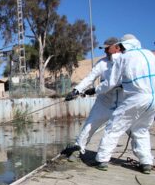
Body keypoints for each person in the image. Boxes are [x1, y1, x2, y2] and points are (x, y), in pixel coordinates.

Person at [94, 34, 155, 174]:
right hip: (153, 99)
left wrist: (95, 90)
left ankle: (102, 159)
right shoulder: (149, 55)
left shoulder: (123, 58)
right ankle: (146, 162)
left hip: (136, 97)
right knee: (141, 129)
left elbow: (110, 83)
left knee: (114, 126)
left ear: (125, 46)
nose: (120, 49)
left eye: (121, 46)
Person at [64, 37, 123, 161]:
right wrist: (77, 90)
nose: (105, 51)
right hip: (104, 103)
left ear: (117, 47)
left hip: (124, 103)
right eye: (104, 49)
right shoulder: (102, 63)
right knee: (89, 126)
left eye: (108, 48)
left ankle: (145, 161)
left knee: (135, 130)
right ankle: (78, 149)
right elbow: (90, 78)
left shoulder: (126, 61)